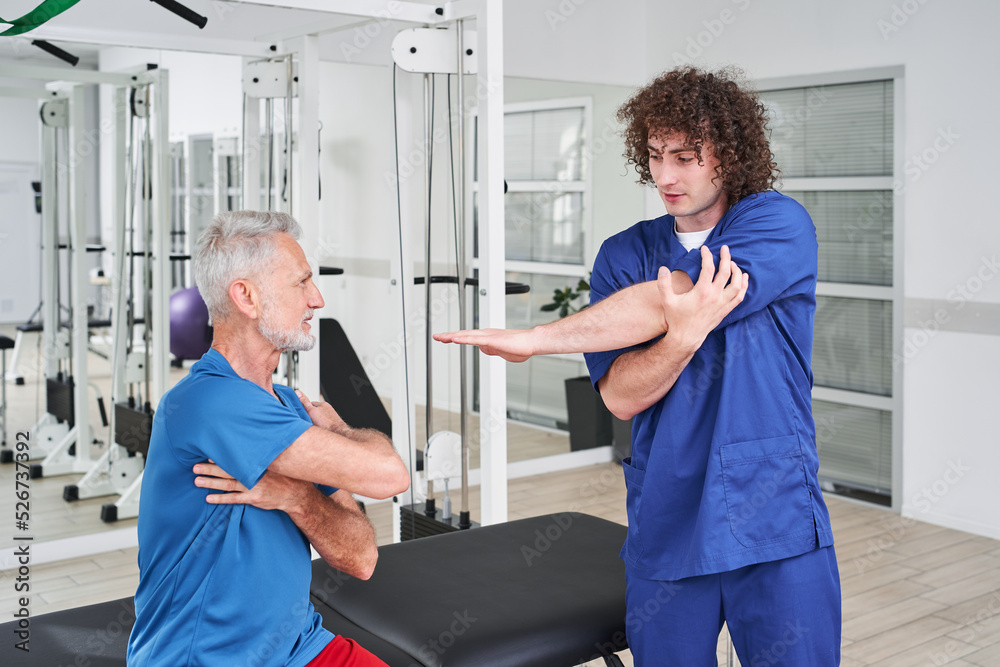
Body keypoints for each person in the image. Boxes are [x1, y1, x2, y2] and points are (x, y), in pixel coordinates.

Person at [435, 66, 840, 666]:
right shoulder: (624, 253)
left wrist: (536, 339)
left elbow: (666, 296)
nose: (666, 176)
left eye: (685, 156)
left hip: (772, 509)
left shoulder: (775, 223)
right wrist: (683, 336)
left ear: (727, 155)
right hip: (669, 511)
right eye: (655, 156)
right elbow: (622, 397)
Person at [127, 211, 410, 667]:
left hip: (301, 646)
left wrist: (295, 496)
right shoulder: (209, 402)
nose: (316, 299)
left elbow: (361, 557)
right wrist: (337, 430)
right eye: (301, 283)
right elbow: (389, 473)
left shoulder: (287, 407)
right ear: (246, 296)